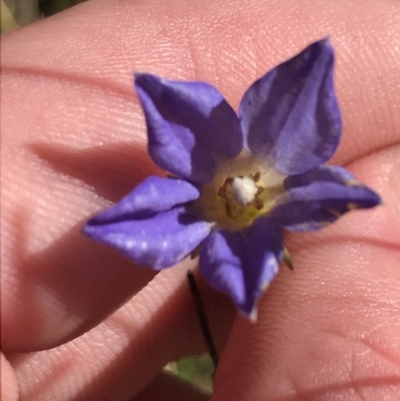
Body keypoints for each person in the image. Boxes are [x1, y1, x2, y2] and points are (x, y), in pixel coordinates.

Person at [1, 0, 400, 400]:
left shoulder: (301, 206)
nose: (244, 192)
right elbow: (162, 118)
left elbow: (327, 188)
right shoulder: (210, 219)